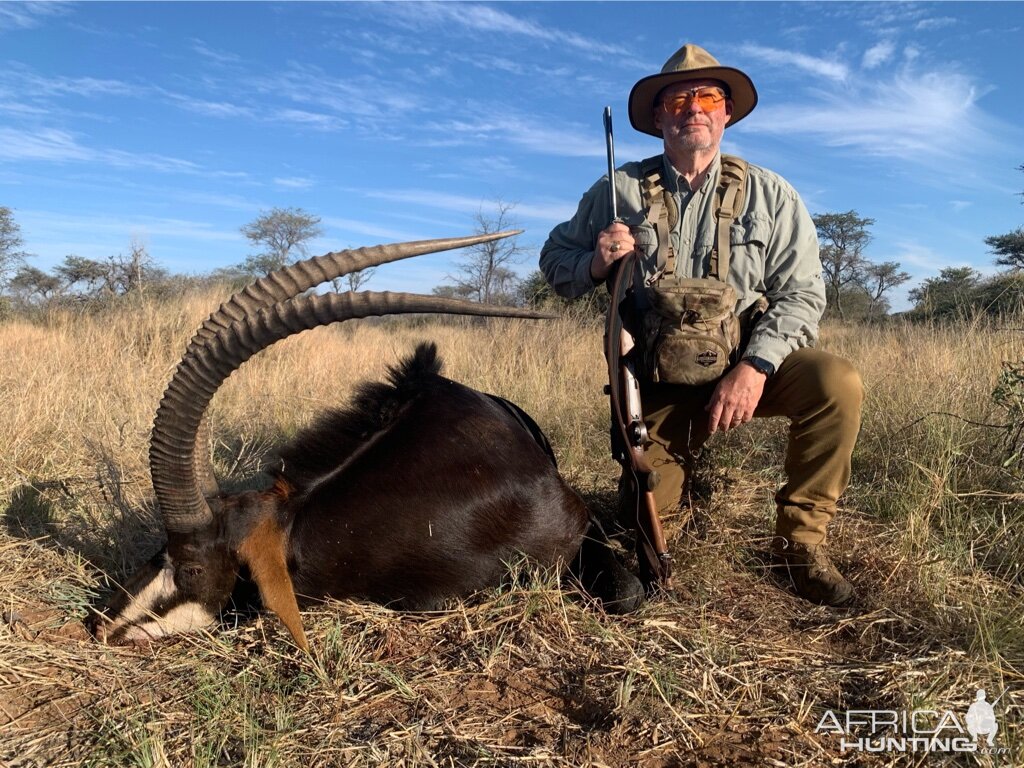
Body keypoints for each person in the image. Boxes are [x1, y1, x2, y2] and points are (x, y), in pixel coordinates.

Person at [540, 44, 863, 606]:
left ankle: (800, 547)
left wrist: (758, 367)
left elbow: (804, 295)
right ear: (659, 117)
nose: (694, 108)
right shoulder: (616, 192)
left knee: (836, 384)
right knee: (643, 533)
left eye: (708, 97)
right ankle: (672, 488)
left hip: (744, 369)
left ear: (726, 113)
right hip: (656, 383)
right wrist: (596, 262)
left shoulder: (772, 194)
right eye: (679, 98)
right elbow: (554, 261)